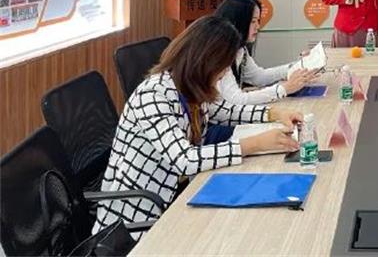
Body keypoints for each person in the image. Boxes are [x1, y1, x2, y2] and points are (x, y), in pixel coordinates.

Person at [94, 16, 302, 234]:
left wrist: (273, 113)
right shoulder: (153, 95)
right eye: (223, 66)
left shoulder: (189, 86)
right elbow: (185, 160)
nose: (224, 73)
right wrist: (254, 144)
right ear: (205, 60)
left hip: (180, 195)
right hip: (138, 220)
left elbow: (225, 111)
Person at [215, 0, 317, 104]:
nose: (258, 27)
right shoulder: (219, 53)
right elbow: (237, 99)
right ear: (237, 21)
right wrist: (284, 89)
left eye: (258, 21)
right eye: (253, 21)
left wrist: (298, 66)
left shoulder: (240, 50)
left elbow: (259, 77)